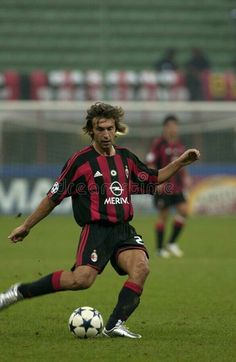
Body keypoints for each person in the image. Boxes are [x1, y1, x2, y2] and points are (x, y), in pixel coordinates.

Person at [0, 102, 200, 338]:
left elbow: (154, 178)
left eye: (110, 129)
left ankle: (115, 324)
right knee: (81, 280)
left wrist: (181, 162)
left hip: (123, 229)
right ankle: (20, 291)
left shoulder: (126, 157)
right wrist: (26, 225)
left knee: (141, 267)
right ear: (91, 130)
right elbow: (54, 197)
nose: (106, 134)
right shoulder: (80, 161)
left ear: (117, 129)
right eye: (100, 129)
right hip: (96, 230)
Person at [146, 115, 191, 258]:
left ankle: (171, 243)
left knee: (184, 210)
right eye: (171, 126)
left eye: (176, 126)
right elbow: (151, 162)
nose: (174, 129)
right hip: (163, 185)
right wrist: (155, 180)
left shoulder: (179, 145)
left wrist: (186, 177)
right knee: (163, 216)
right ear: (165, 127)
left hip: (177, 186)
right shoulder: (158, 143)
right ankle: (160, 249)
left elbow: (183, 164)